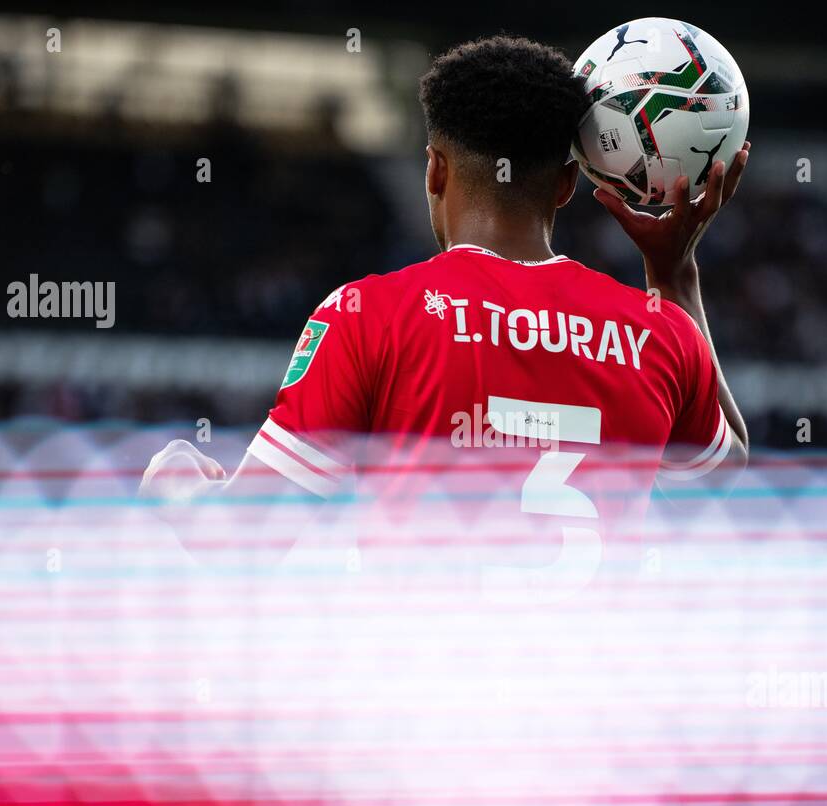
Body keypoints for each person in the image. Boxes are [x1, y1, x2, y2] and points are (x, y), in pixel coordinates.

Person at [141, 35, 750, 587]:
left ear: (433, 169)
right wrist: (674, 275)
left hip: (425, 700)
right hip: (586, 704)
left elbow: (237, 544)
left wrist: (174, 482)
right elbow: (723, 468)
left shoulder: (367, 315)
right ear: (566, 185)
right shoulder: (660, 332)